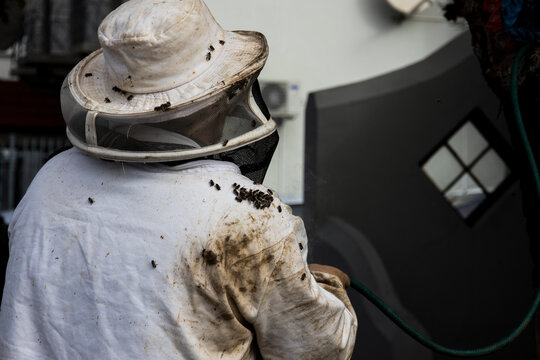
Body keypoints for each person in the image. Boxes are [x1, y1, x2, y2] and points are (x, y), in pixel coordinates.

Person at [0, 0, 357, 359]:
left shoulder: (50, 180)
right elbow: (318, 349)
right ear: (218, 97)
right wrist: (327, 285)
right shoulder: (246, 219)